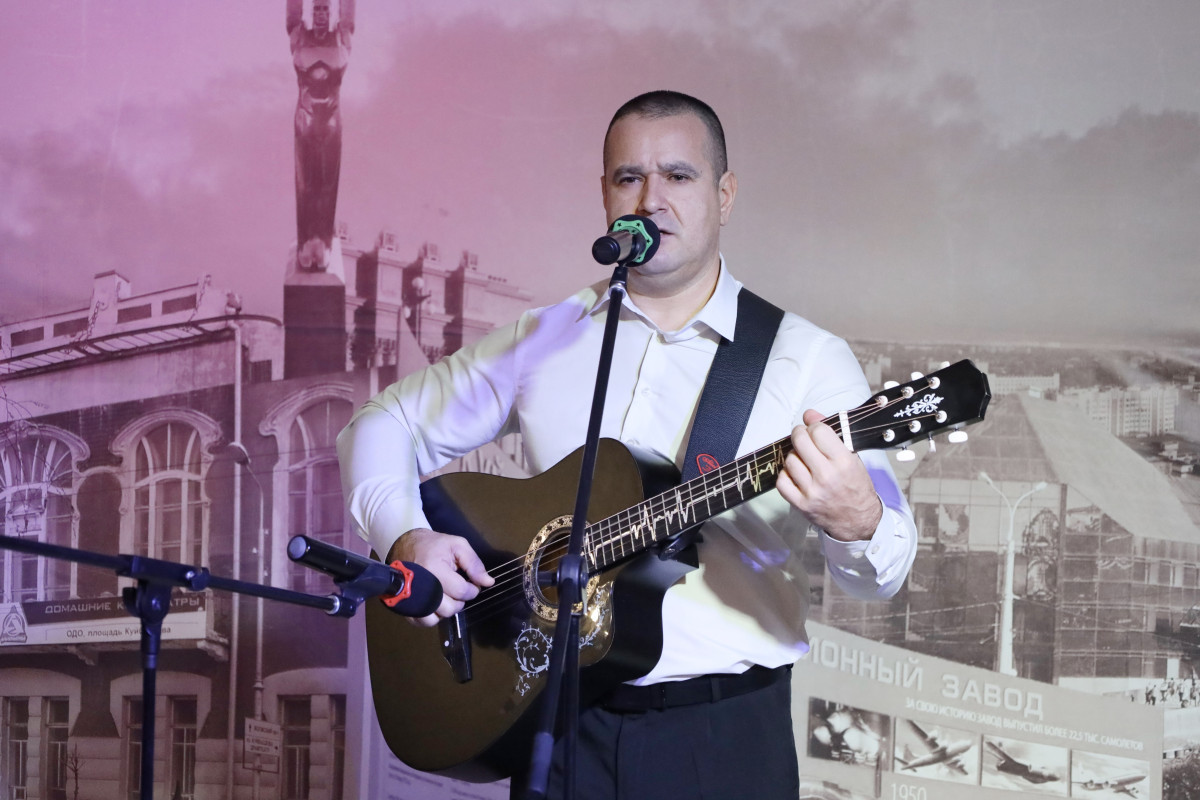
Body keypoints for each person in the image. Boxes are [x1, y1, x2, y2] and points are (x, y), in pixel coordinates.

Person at [338, 90, 918, 799]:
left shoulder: (806, 360)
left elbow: (881, 574)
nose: (651, 200)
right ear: (605, 196)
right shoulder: (545, 337)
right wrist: (405, 536)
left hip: (721, 739)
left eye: (678, 176)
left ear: (725, 195)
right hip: (557, 725)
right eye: (629, 178)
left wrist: (858, 520)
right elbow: (380, 424)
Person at [287, 0, 354, 271]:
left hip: (331, 121)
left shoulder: (342, 37)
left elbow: (348, 15)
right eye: (317, 9)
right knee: (306, 183)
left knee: (327, 181)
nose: (322, 15)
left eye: (326, 9)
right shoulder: (299, 37)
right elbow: (292, 15)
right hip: (306, 119)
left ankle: (323, 242)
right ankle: (306, 241)